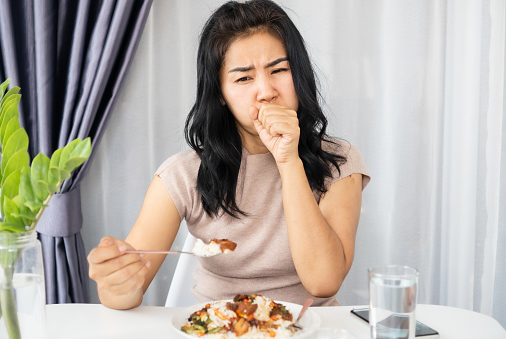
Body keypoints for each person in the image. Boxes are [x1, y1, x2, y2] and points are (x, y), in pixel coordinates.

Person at [87, 0, 370, 310]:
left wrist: (288, 160)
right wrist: (115, 282)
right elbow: (130, 288)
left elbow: (323, 282)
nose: (266, 91)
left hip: (312, 329)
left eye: (279, 69)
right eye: (244, 78)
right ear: (220, 94)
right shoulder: (182, 175)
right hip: (218, 328)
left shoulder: (339, 162)